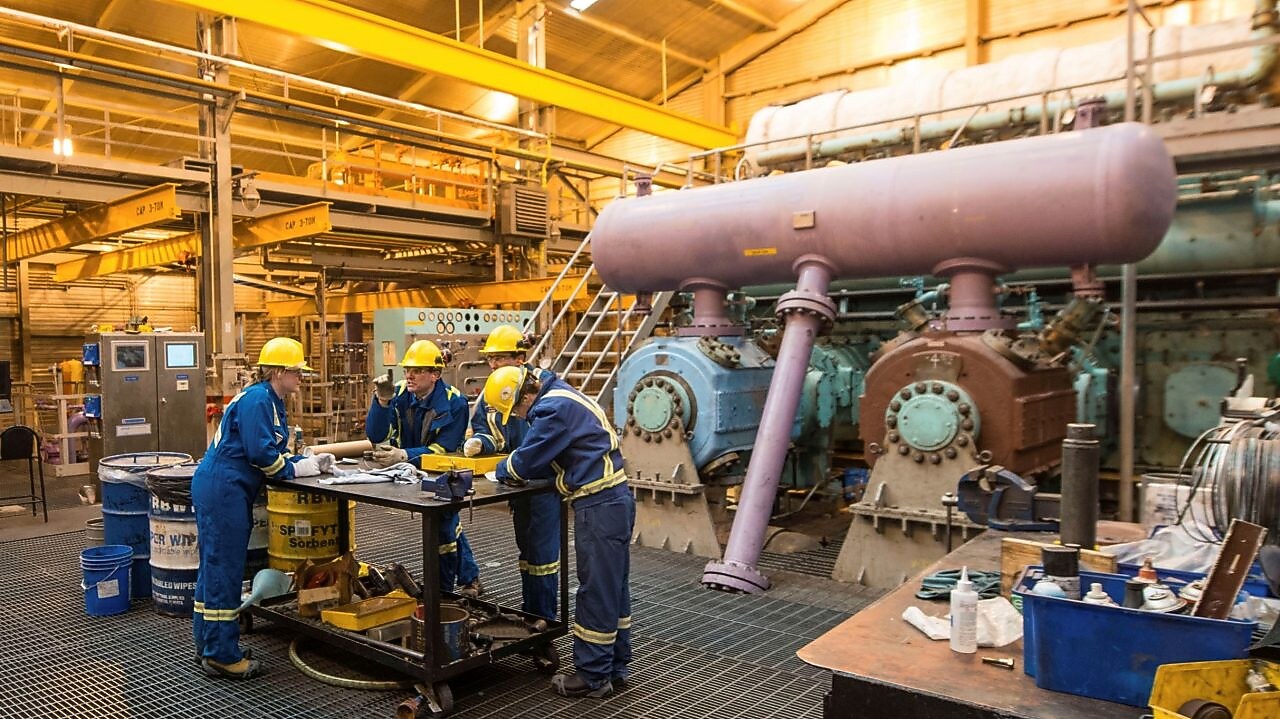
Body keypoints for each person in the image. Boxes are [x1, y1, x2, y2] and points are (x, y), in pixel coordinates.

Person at [483, 365, 634, 699]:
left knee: (595, 591)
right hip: (614, 501)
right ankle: (615, 665)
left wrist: (499, 468)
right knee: (613, 589)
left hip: (599, 508)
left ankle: (593, 676)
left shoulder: (551, 410)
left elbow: (524, 463)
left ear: (525, 396)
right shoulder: (565, 394)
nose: (521, 419)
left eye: (518, 412)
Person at [193, 337, 335, 679]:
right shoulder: (259, 399)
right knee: (224, 570)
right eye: (298, 372)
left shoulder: (268, 398)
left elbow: (268, 448)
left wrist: (306, 460)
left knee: (214, 568)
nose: (301, 378)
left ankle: (209, 644)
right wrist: (296, 469)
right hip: (224, 488)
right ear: (281, 371)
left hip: (225, 487)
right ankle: (222, 655)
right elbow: (261, 455)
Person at [366, 339, 480, 594]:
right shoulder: (397, 393)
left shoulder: (455, 402)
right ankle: (469, 576)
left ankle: (443, 591)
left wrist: (404, 455)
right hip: (409, 469)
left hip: (444, 470)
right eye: (407, 370)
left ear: (435, 374)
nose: (409, 375)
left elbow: (445, 448)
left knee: (445, 524)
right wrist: (381, 403)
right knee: (447, 522)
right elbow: (375, 434)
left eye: (417, 371)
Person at [465, 325, 560, 620]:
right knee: (526, 549)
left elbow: (546, 440)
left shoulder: (541, 387)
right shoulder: (496, 387)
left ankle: (542, 617)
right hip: (516, 483)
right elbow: (489, 428)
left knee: (542, 555)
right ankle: (530, 612)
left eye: (500, 358)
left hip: (543, 483)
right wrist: (482, 442)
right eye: (490, 359)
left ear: (520, 357)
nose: (493, 365)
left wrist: (512, 465)